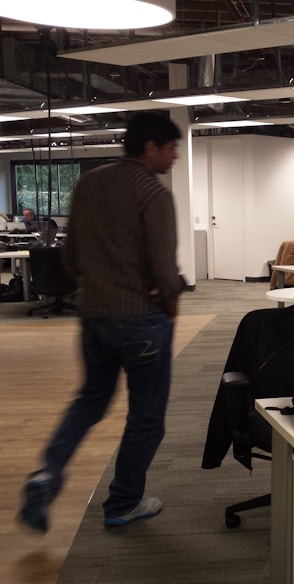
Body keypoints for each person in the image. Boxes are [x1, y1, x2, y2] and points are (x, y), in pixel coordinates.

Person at [18, 112, 185, 532]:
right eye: (171, 149)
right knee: (146, 417)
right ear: (150, 148)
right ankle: (123, 503)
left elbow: (70, 257)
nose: (175, 157)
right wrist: (170, 306)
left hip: (92, 317)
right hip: (141, 321)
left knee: (90, 401)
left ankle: (47, 474)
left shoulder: (89, 183)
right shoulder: (153, 193)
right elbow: (165, 269)